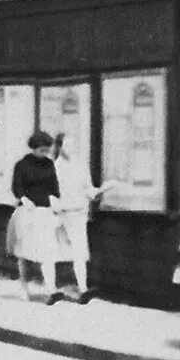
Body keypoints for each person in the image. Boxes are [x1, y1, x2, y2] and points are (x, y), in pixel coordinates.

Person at [50, 130, 109, 304]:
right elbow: (50, 193)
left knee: (80, 252)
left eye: (73, 145)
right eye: (67, 145)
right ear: (60, 147)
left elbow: (87, 188)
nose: (71, 148)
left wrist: (97, 193)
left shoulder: (81, 166)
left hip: (78, 213)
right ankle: (52, 289)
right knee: (55, 251)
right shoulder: (54, 167)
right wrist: (55, 208)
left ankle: (82, 289)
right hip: (61, 214)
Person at [6, 130, 64, 303]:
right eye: (41, 150)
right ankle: (23, 286)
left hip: (44, 212)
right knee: (24, 252)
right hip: (27, 211)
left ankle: (50, 289)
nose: (44, 153)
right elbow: (17, 186)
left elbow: (54, 186)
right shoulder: (22, 165)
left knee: (48, 251)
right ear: (34, 147)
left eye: (46, 150)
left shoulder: (49, 164)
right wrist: (23, 198)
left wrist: (54, 199)